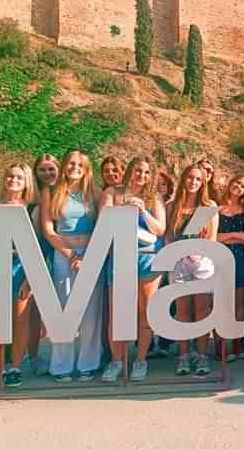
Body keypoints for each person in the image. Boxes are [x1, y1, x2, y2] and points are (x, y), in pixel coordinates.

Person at [99, 157, 166, 382]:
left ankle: (140, 360)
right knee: (117, 313)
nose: (142, 176)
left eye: (147, 173)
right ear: (130, 171)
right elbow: (103, 220)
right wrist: (123, 208)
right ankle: (117, 361)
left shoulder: (153, 197)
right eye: (138, 170)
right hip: (120, 256)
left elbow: (160, 229)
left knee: (145, 311)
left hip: (147, 257)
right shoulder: (113, 192)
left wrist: (143, 212)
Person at [41, 150, 104, 382]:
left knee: (90, 311)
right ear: (64, 165)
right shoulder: (51, 192)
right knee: (62, 310)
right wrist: (70, 255)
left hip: (91, 255)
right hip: (62, 254)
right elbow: (48, 231)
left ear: (86, 169)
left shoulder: (95, 195)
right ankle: (61, 366)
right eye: (70, 163)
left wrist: (88, 256)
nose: (74, 167)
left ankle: (88, 364)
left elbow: (102, 227)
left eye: (79, 164)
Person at [0, 163, 36, 390]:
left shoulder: (32, 208)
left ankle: (14, 368)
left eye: (19, 178)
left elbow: (38, 246)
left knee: (20, 320)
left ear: (26, 183)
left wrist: (31, 277)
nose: (13, 180)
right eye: (10, 176)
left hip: (21, 267)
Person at [165, 164, 220, 377]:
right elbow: (169, 235)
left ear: (203, 183)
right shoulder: (172, 206)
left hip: (202, 263)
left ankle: (202, 355)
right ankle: (184, 356)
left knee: (202, 312)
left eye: (198, 179)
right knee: (182, 312)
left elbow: (212, 238)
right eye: (190, 178)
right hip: (179, 263)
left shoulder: (209, 206)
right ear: (184, 179)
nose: (193, 182)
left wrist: (198, 253)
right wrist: (178, 252)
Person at [216, 174, 244, 361]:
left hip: (240, 258)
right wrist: (236, 236)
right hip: (218, 258)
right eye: (236, 182)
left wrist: (228, 236)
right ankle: (220, 344)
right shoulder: (215, 205)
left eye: (242, 186)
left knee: (240, 305)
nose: (238, 187)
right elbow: (210, 237)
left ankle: (238, 343)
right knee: (221, 304)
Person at [27, 153, 61, 376]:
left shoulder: (66, 196)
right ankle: (33, 357)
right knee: (33, 310)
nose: (47, 174)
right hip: (37, 254)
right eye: (42, 170)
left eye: (51, 169)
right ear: (35, 173)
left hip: (61, 254)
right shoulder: (29, 200)